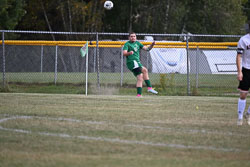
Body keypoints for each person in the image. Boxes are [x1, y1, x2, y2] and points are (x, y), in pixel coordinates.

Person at [123, 32, 158, 97]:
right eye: (131, 36)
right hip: (132, 62)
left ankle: (139, 95)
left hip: (136, 62)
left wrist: (152, 45)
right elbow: (124, 53)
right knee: (144, 70)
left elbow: (147, 49)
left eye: (134, 36)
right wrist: (129, 53)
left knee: (140, 77)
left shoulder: (138, 43)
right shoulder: (127, 44)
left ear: (136, 37)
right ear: (129, 37)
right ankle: (149, 88)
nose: (133, 37)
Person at [236, 31, 250, 125]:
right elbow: (238, 56)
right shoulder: (244, 40)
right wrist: (239, 72)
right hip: (246, 69)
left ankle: (248, 113)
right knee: (243, 94)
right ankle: (240, 117)